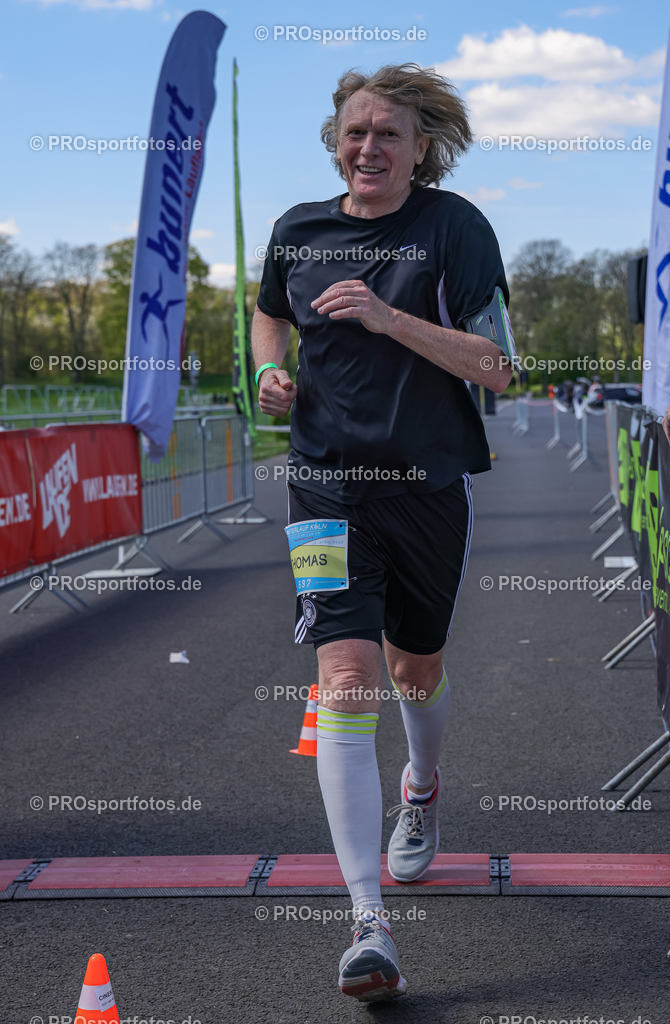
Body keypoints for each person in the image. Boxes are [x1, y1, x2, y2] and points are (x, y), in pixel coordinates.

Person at [251, 62, 513, 1003]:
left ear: (421, 148)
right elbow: (269, 317)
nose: (368, 148)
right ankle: (368, 924)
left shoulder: (454, 229)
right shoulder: (297, 229)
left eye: (389, 135)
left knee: (415, 672)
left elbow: (497, 367)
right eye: (355, 132)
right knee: (347, 680)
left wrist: (387, 314)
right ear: (336, 139)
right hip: (324, 487)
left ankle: (423, 788)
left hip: (427, 486)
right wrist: (270, 379)